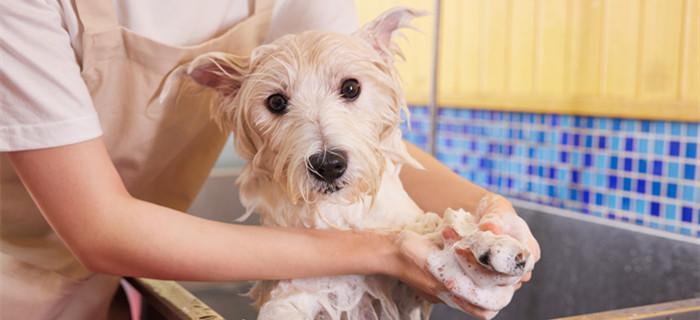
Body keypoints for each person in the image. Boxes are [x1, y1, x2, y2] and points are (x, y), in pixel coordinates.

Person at [0, 0, 540, 319]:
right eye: (276, 104)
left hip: (102, 286)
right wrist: (385, 252)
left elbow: (359, 146)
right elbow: (100, 228)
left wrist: (486, 208)